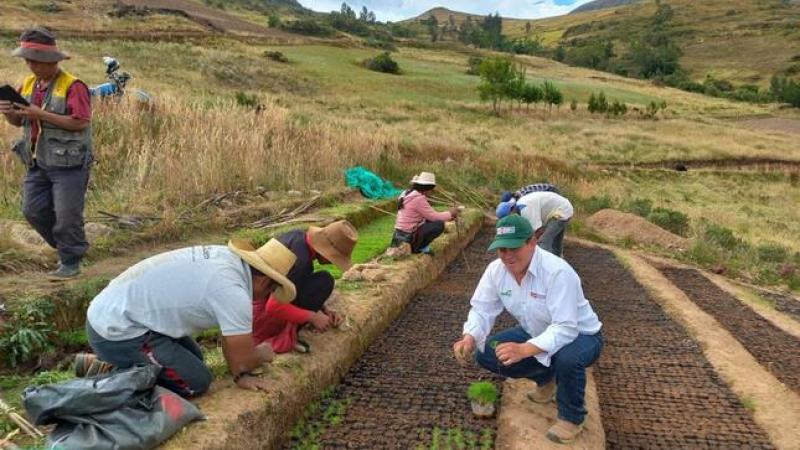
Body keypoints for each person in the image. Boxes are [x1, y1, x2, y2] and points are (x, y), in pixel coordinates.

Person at [81, 238, 298, 397]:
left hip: (119, 311)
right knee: (195, 382)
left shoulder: (228, 261)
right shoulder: (233, 292)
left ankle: (124, 362)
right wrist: (262, 354)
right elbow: (244, 358)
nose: (267, 297)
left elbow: (231, 337)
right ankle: (112, 370)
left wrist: (240, 374)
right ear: (263, 281)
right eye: (271, 291)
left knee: (195, 360)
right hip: (116, 331)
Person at [453, 215, 603, 444]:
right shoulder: (496, 271)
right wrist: (470, 336)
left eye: (514, 247)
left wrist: (524, 349)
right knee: (487, 353)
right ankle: (546, 379)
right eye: (502, 249)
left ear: (532, 242)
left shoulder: (557, 272)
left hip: (581, 336)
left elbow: (565, 327)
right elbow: (482, 308)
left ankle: (572, 417)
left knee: (567, 358)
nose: (508, 255)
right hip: (536, 331)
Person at [0, 26, 93, 278]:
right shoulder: (29, 84)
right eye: (27, 60)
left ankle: (70, 260)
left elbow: (80, 123)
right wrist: (9, 111)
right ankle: (70, 247)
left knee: (66, 215)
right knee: (32, 211)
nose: (30, 65)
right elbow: (19, 123)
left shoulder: (73, 86)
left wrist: (39, 113)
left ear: (49, 61)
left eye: (34, 61)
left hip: (70, 164)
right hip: (36, 161)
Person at [252, 220, 358, 353]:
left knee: (322, 279)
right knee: (324, 281)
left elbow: (298, 284)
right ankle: (283, 334)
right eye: (334, 258)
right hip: (258, 317)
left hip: (252, 308)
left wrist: (324, 310)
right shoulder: (300, 261)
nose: (331, 262)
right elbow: (273, 305)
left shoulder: (298, 239)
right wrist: (313, 317)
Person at [390, 171, 458, 255]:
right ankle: (419, 248)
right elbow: (434, 217)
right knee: (438, 225)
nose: (431, 193)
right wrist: (451, 213)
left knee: (430, 221)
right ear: (427, 189)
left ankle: (420, 246)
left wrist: (448, 216)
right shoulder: (418, 198)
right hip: (408, 236)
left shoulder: (407, 193)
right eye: (431, 190)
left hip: (399, 234)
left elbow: (427, 215)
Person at [496, 190, 573, 257]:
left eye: (508, 218)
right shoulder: (519, 208)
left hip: (561, 210)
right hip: (560, 207)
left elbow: (538, 231)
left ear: (511, 210)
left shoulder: (526, 210)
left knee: (543, 241)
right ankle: (558, 262)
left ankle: (547, 266)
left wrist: (525, 246)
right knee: (556, 242)